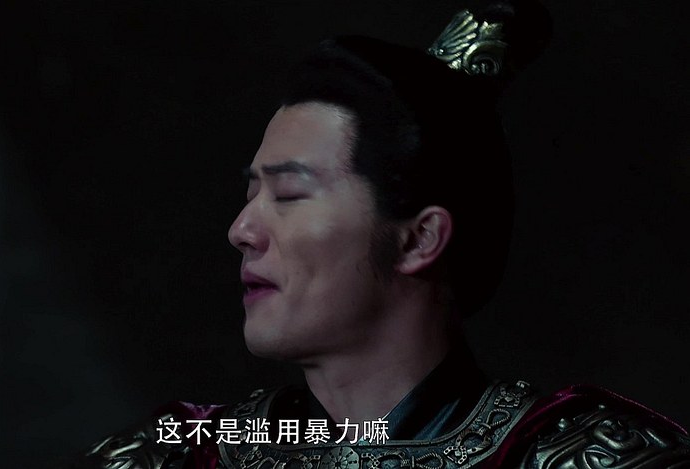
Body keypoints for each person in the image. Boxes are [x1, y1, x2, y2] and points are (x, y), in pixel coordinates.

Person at [61, 1, 690, 467]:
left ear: (419, 240)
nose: (241, 230)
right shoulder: (182, 451)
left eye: (289, 194)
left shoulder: (580, 456)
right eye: (250, 194)